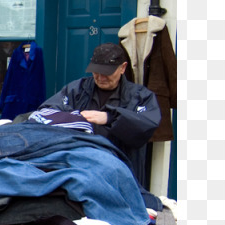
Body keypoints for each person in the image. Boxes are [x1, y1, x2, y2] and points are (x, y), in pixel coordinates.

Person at [37, 42, 161, 185]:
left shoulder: (141, 96)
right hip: (80, 172)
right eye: (96, 71)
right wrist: (73, 116)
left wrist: (111, 118)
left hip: (122, 174)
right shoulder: (77, 90)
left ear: (123, 68)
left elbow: (146, 125)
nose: (101, 77)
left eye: (107, 72)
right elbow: (46, 111)